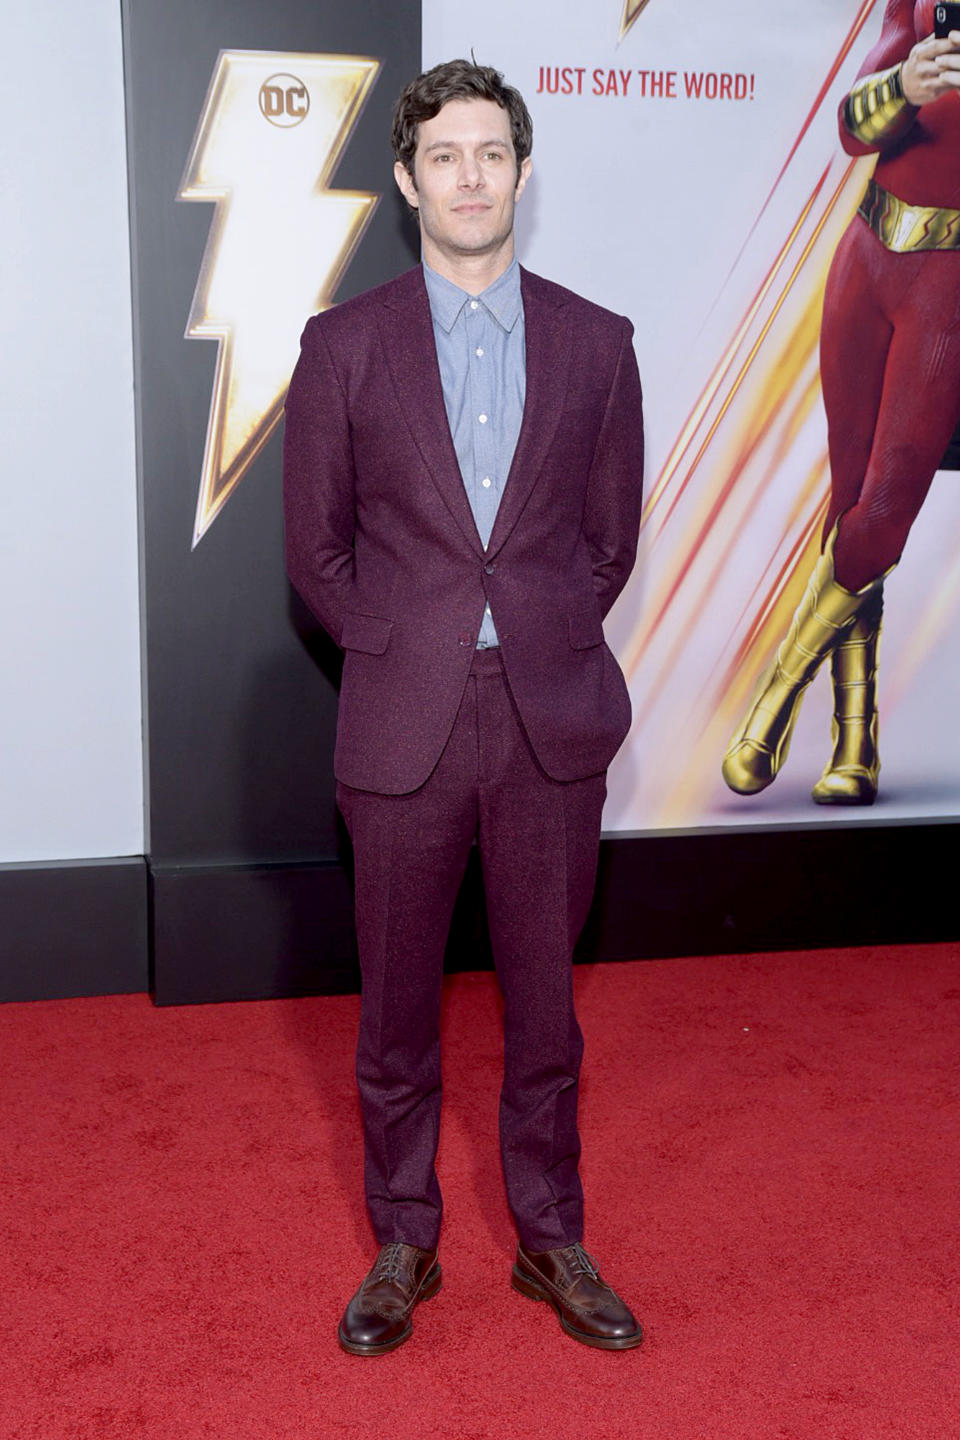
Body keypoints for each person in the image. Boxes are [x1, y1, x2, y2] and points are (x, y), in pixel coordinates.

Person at [282, 60, 645, 1354]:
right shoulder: (343, 348)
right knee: (396, 1008)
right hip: (402, 725)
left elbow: (610, 544)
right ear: (406, 177)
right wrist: (403, 647)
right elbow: (314, 554)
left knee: (546, 1008)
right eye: (446, 155)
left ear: (523, 173)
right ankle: (402, 1239)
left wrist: (531, 632)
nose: (472, 176)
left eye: (493, 153)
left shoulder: (602, 345)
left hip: (549, 720)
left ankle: (551, 1238)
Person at [723, 0, 960, 804]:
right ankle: (854, 743)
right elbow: (855, 128)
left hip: (949, 282)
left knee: (883, 513)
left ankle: (775, 693)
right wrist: (904, 83)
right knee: (850, 502)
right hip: (867, 252)